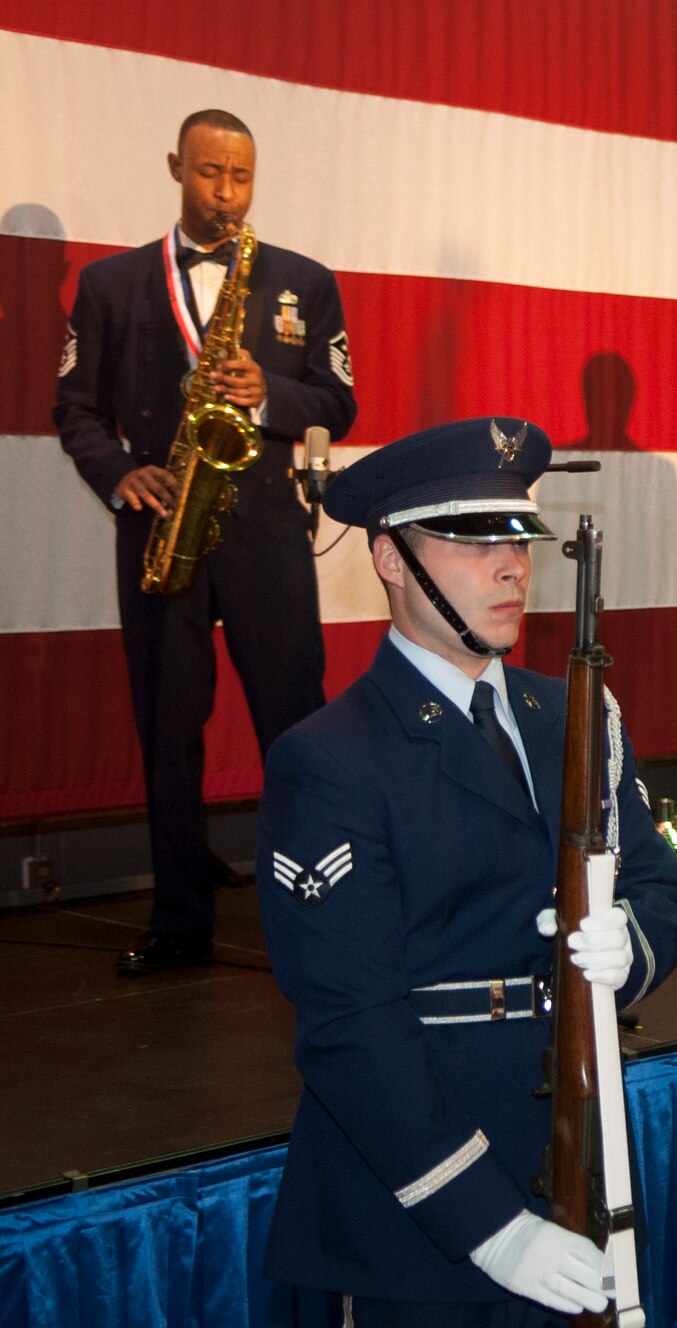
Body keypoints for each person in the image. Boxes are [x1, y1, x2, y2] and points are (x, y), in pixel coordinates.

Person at [256, 418, 677, 1325]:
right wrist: (491, 1225)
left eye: (518, 538)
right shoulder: (333, 760)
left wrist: (631, 951)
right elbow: (352, 1025)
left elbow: (660, 889)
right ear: (388, 558)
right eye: (470, 539)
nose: (510, 566)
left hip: (576, 1161)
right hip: (416, 1206)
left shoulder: (570, 712)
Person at [53, 108, 357, 976]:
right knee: (168, 728)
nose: (227, 193)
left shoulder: (303, 279)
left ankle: (321, 912)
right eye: (210, 174)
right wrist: (120, 472)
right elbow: (73, 410)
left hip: (263, 525)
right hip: (161, 524)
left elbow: (338, 402)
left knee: (296, 725)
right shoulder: (110, 285)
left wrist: (271, 396)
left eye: (242, 177)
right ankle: (180, 919)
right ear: (175, 168)